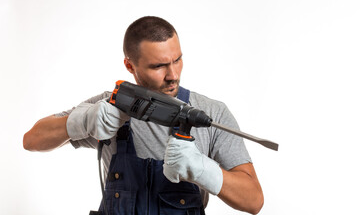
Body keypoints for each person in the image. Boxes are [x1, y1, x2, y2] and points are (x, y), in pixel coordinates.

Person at [23, 16, 264, 214]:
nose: (173, 75)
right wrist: (81, 122)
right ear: (130, 66)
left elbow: (254, 201)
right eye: (158, 66)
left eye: (177, 60)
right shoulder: (111, 106)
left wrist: (202, 169)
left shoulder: (211, 113)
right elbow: (31, 140)